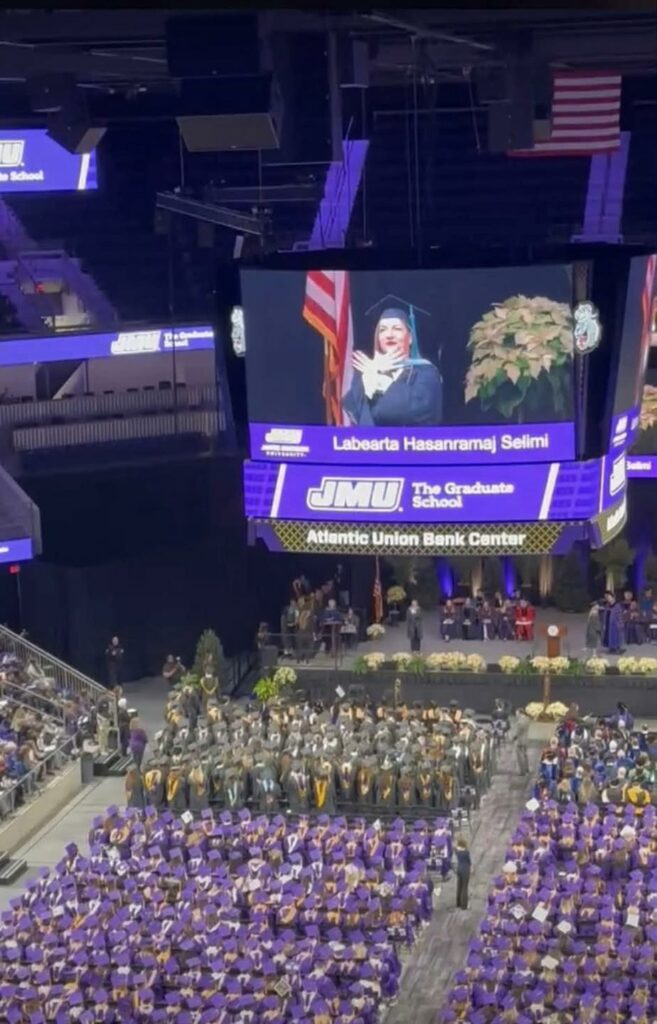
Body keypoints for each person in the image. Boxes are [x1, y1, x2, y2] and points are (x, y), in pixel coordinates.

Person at [342, 301, 442, 426]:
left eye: (397, 329)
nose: (389, 335)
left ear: (410, 338)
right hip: (370, 439)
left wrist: (380, 380)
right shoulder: (368, 370)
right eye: (382, 330)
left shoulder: (425, 372)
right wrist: (372, 375)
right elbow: (352, 410)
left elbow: (410, 411)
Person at [454, 835, 471, 910]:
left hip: (459, 869)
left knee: (459, 886)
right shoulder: (466, 852)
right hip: (465, 870)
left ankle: (458, 903)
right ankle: (464, 905)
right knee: (464, 887)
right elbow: (469, 861)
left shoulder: (457, 851)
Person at [514, 708, 530, 776]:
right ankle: (527, 768)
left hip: (520, 741)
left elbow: (518, 732)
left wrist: (514, 737)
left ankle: (522, 771)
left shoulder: (520, 722)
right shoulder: (527, 719)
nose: (516, 715)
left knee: (520, 757)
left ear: (520, 713)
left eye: (517, 713)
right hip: (525, 739)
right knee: (525, 755)